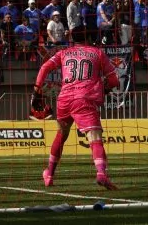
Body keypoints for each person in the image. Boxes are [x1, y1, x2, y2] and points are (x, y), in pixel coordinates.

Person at [33, 32, 120, 189]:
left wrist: (37, 90)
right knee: (94, 137)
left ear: (72, 39)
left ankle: (49, 174)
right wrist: (104, 90)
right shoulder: (97, 53)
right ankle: (101, 174)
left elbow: (45, 67)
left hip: (65, 99)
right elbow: (114, 80)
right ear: (88, 39)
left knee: (61, 135)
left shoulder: (64, 53)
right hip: (84, 99)